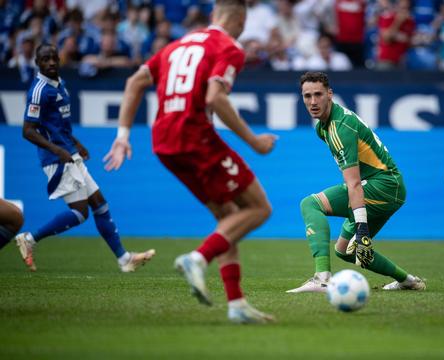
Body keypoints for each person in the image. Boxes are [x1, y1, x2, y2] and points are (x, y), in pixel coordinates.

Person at [103, 0, 277, 325]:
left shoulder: (176, 45)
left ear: (213, 16)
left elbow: (134, 83)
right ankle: (198, 258)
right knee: (259, 207)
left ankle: (237, 304)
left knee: (227, 219)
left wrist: (123, 135)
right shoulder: (229, 47)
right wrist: (254, 142)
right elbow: (214, 97)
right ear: (240, 21)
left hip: (163, 142)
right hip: (194, 135)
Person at [15, 43, 155, 272]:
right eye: (44, 59)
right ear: (37, 63)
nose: (50, 62)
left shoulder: (61, 84)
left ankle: (124, 259)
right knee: (80, 213)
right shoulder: (39, 90)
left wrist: (76, 144)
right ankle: (29, 239)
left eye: (53, 58)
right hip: (57, 159)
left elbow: (59, 124)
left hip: (69, 152)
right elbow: (27, 130)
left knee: (100, 204)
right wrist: (58, 150)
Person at [288, 71, 425, 293]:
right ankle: (408, 281)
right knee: (346, 250)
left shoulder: (340, 128)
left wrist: (361, 227)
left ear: (329, 94)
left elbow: (354, 184)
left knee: (310, 204)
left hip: (384, 186)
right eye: (307, 96)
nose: (312, 102)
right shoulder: (323, 127)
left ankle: (322, 278)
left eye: (318, 95)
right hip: (385, 186)